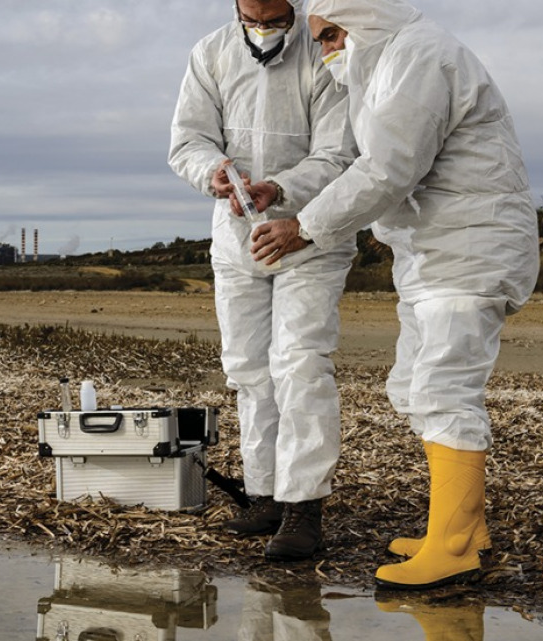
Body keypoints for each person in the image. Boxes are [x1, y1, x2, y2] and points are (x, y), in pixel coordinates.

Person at [250, 0, 539, 588]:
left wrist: (303, 226)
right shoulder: (389, 65)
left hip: (468, 251)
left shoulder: (417, 56)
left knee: (443, 390)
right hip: (438, 253)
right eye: (320, 39)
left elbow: (388, 166)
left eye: (332, 34)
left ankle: (453, 547)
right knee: (413, 386)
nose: (327, 49)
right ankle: (462, 527)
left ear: (366, 16)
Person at [168, 0, 358, 562]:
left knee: (299, 363)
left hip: (311, 235)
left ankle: (305, 507)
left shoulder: (322, 46)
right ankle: (267, 494)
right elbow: (187, 140)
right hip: (235, 240)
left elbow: (339, 152)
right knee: (249, 369)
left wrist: (278, 187)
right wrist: (217, 174)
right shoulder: (210, 52)